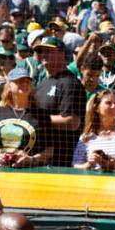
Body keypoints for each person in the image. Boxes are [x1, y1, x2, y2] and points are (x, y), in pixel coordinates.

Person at [0, 66, 53, 168]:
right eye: (19, 81)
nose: (24, 84)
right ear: (9, 86)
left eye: (27, 81)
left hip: (29, 172)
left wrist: (32, 159)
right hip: (0, 170)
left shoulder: (41, 115)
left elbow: (49, 150)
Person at [33, 36, 84, 167]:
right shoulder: (42, 84)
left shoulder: (70, 83)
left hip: (62, 159)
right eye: (40, 51)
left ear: (62, 53)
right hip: (40, 156)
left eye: (48, 51)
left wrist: (36, 118)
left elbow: (72, 122)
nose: (43, 54)